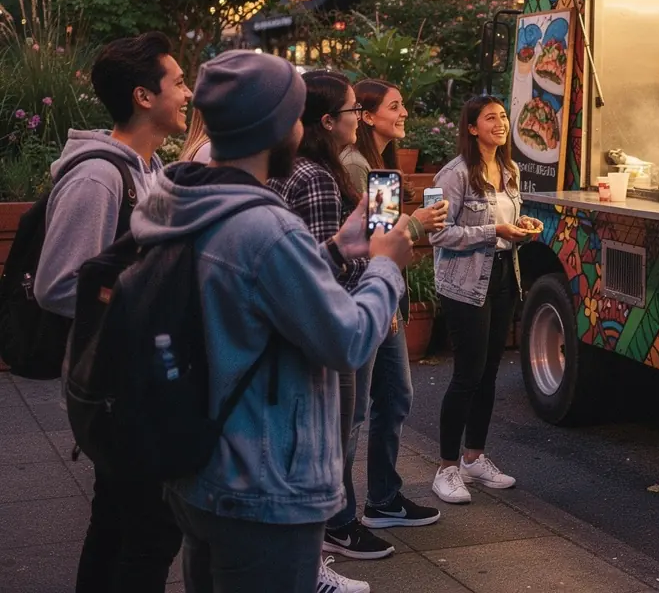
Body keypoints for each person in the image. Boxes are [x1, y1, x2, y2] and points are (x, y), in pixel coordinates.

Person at [130, 50, 414, 593]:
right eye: (297, 116)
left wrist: (334, 249)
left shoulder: (180, 197)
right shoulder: (266, 228)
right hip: (263, 482)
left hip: (199, 466)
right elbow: (348, 340)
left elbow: (249, 296)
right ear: (276, 126)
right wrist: (385, 264)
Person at [34, 31, 191, 593]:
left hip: (134, 385)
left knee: (118, 528)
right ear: (144, 97)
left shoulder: (147, 171)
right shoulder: (100, 176)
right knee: (147, 537)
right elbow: (57, 285)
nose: (187, 93)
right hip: (118, 392)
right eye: (177, 82)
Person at [268, 71, 394, 564]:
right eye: (353, 111)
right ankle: (327, 539)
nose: (360, 119)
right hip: (335, 326)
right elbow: (326, 273)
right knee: (336, 435)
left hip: (307, 326)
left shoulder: (301, 167)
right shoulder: (319, 174)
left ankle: (323, 539)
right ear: (327, 120)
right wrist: (382, 265)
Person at [329, 78, 447, 540]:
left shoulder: (378, 166)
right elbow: (373, 243)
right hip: (368, 297)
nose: (403, 114)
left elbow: (383, 236)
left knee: (394, 396)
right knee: (357, 410)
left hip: (383, 292)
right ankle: (340, 519)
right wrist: (416, 224)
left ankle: (382, 498)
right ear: (367, 115)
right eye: (394, 107)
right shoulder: (356, 165)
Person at [429, 96, 542, 504]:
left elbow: (508, 221)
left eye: (504, 117)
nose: (501, 123)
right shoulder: (453, 175)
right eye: (490, 118)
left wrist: (522, 226)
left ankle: (474, 458)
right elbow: (438, 235)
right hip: (464, 283)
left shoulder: (509, 168)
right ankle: (445, 468)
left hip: (503, 278)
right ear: (472, 128)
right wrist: (494, 230)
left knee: (490, 372)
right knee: (467, 374)